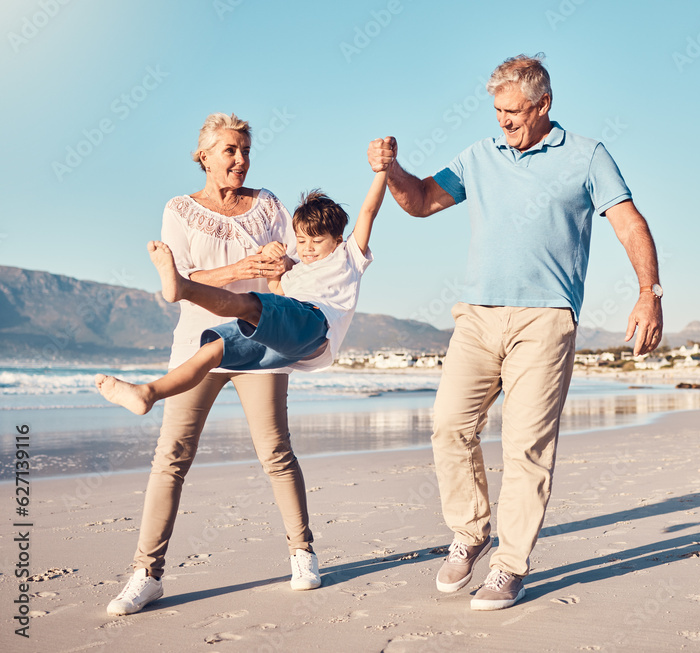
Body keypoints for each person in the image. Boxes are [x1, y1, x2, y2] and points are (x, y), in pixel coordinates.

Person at [367, 55, 662, 610]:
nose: (503, 122)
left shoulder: (588, 156)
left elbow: (629, 223)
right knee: (449, 426)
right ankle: (470, 531)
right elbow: (423, 201)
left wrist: (649, 293)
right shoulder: (480, 156)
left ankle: (509, 565)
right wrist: (393, 171)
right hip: (477, 316)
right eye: (497, 111)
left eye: (513, 112)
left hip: (546, 318)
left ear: (543, 104)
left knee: (526, 447)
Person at [104, 113, 312, 616]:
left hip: (260, 340)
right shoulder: (179, 209)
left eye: (245, 150)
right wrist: (242, 268)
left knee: (275, 451)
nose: (240, 160)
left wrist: (284, 262)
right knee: (172, 455)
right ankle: (146, 574)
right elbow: (185, 279)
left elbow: (300, 257)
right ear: (204, 156)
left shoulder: (268, 205)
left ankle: (303, 553)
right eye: (229, 151)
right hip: (200, 345)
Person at [95, 175, 384, 414]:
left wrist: (382, 170)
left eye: (317, 241)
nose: (307, 248)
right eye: (302, 240)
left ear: (337, 239)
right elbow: (278, 291)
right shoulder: (296, 270)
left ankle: (184, 287)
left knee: (250, 305)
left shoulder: (349, 255)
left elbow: (369, 210)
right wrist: (273, 267)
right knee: (212, 350)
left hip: (315, 324)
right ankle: (148, 393)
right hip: (286, 339)